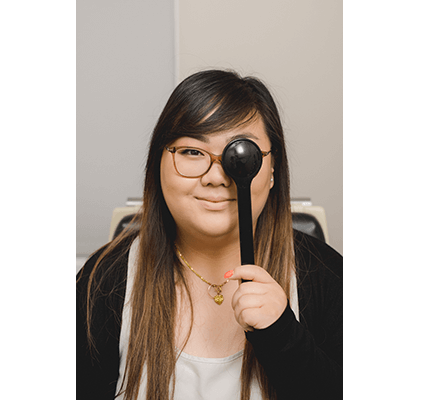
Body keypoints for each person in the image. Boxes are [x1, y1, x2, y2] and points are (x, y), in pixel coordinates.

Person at [76, 69, 343, 400]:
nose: (216, 177)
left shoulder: (327, 276)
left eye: (239, 153)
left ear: (272, 170)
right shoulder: (102, 282)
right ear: (157, 165)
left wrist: (283, 335)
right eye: (192, 152)